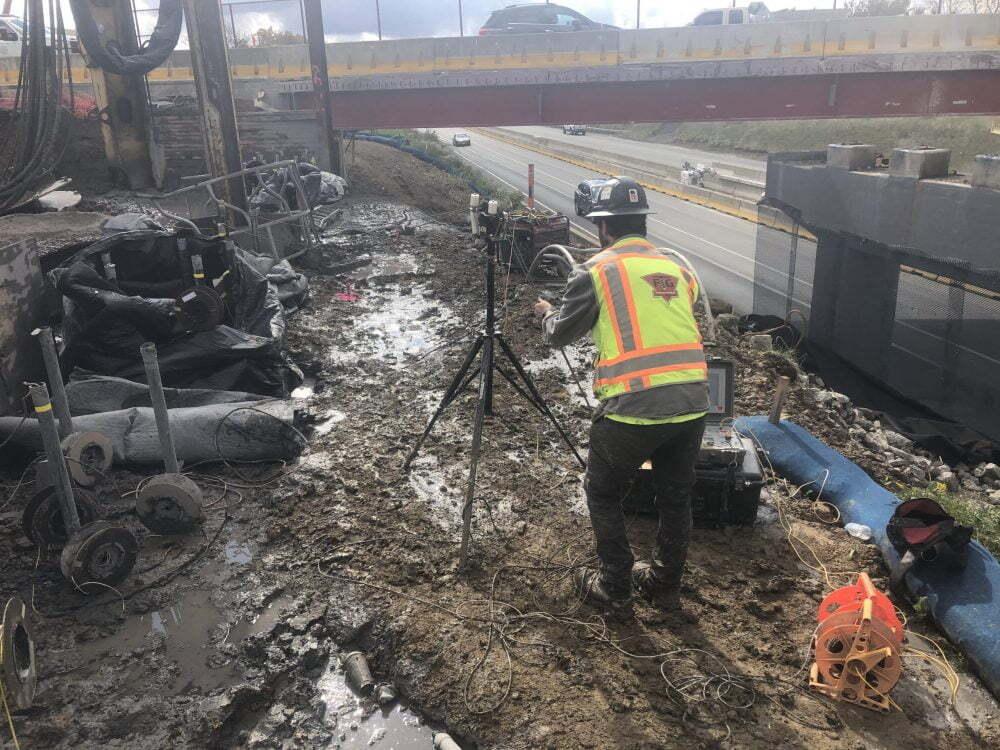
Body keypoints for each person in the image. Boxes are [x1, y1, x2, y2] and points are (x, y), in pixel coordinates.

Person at [533, 177, 709, 614]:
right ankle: (665, 586)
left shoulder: (596, 271)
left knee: (603, 491)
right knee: (675, 496)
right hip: (693, 403)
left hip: (633, 407)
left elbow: (559, 335)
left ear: (603, 228)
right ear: (642, 223)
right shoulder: (677, 269)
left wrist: (546, 313)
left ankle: (615, 584)